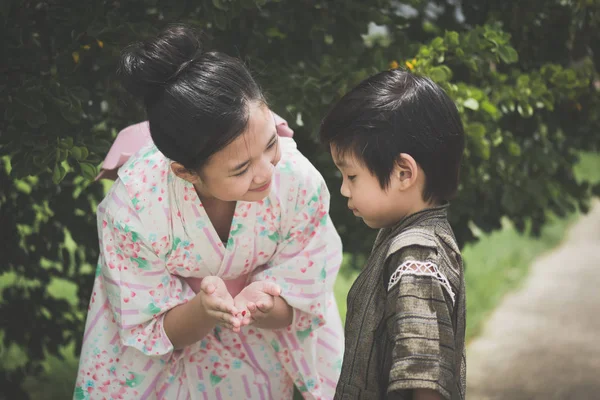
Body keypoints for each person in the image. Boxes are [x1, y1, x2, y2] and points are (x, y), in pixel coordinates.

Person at [74, 25, 344, 400]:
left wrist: (265, 305)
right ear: (186, 172)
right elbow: (151, 326)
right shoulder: (136, 206)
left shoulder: (298, 182)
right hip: (166, 342)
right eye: (241, 169)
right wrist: (204, 310)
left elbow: (304, 300)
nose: (266, 172)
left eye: (270, 145)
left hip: (261, 337)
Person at [319, 69, 466, 400]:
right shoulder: (407, 237)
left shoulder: (416, 256)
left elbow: (425, 378)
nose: (343, 189)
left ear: (404, 173)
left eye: (352, 175)